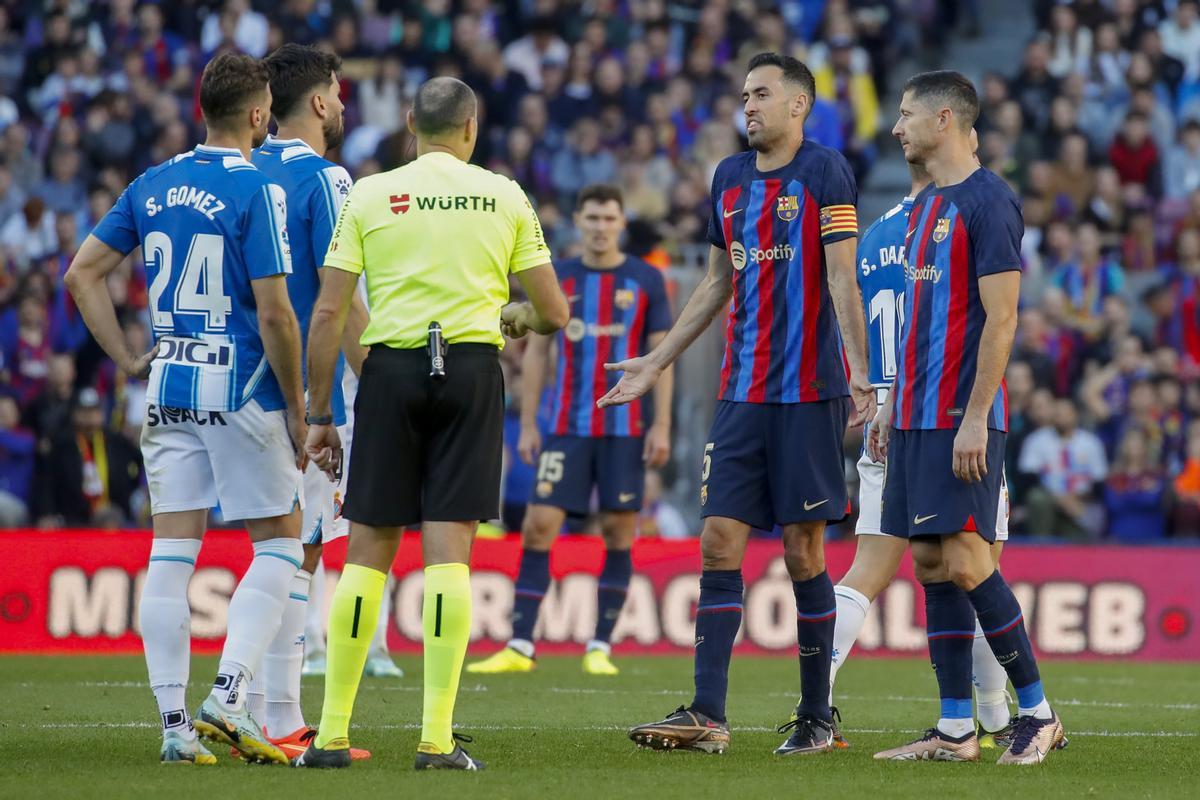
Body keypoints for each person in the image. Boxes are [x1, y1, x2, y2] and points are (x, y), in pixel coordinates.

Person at [602, 52, 875, 757]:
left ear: (798, 106)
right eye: (743, 94)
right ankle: (707, 714)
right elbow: (718, 280)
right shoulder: (726, 179)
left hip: (809, 394)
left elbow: (843, 279)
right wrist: (657, 359)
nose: (747, 106)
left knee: (802, 550)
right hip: (740, 395)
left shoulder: (824, 172)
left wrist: (862, 375)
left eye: (762, 94)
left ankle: (818, 717)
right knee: (719, 539)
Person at [294, 76, 567, 771]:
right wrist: (519, 317)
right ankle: (436, 739)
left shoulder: (370, 192)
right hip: (471, 372)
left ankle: (328, 737)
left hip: (388, 374)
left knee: (366, 555)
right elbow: (555, 313)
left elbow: (328, 315)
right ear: (471, 127)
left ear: (411, 122)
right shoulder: (504, 194)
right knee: (449, 556)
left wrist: (320, 413)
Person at [64, 53, 306, 766]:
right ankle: (229, 697)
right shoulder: (257, 188)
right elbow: (276, 315)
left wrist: (125, 357)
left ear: (202, 108)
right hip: (238, 385)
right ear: (260, 115)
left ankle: (173, 726)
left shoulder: (152, 182)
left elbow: (81, 274)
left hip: (166, 384)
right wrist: (299, 406)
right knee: (281, 545)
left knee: (171, 553)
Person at [869, 70, 1064, 764]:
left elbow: (1002, 318)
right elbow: (922, 323)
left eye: (905, 115)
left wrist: (976, 416)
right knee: (928, 561)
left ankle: (1037, 712)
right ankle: (956, 729)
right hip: (916, 413)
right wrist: (891, 402)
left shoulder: (989, 202)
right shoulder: (924, 209)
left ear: (944, 119)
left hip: (961, 413)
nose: (896, 128)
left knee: (966, 557)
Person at [828, 156, 1016, 750]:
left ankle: (815, 698)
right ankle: (999, 713)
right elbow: (984, 320)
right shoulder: (954, 219)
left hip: (890, 411)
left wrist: (866, 386)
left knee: (874, 572)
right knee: (976, 565)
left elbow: (853, 315)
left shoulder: (877, 236)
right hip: (941, 413)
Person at [467, 183, 673, 677]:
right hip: (565, 426)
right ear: (578, 222)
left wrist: (661, 424)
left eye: (609, 219)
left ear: (622, 223)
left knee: (620, 530)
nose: (601, 227)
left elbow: (662, 358)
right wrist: (531, 422)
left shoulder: (646, 279)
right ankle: (519, 644)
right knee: (539, 526)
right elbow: (539, 352)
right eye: (592, 218)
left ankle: (600, 645)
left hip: (624, 428)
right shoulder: (557, 276)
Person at [247, 43, 371, 761]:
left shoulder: (242, 170)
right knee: (303, 551)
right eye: (338, 92)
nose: (344, 105)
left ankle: (258, 712)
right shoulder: (327, 179)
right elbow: (339, 299)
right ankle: (279, 717)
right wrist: (373, 386)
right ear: (320, 101)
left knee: (272, 549)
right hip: (307, 394)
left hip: (239, 389)